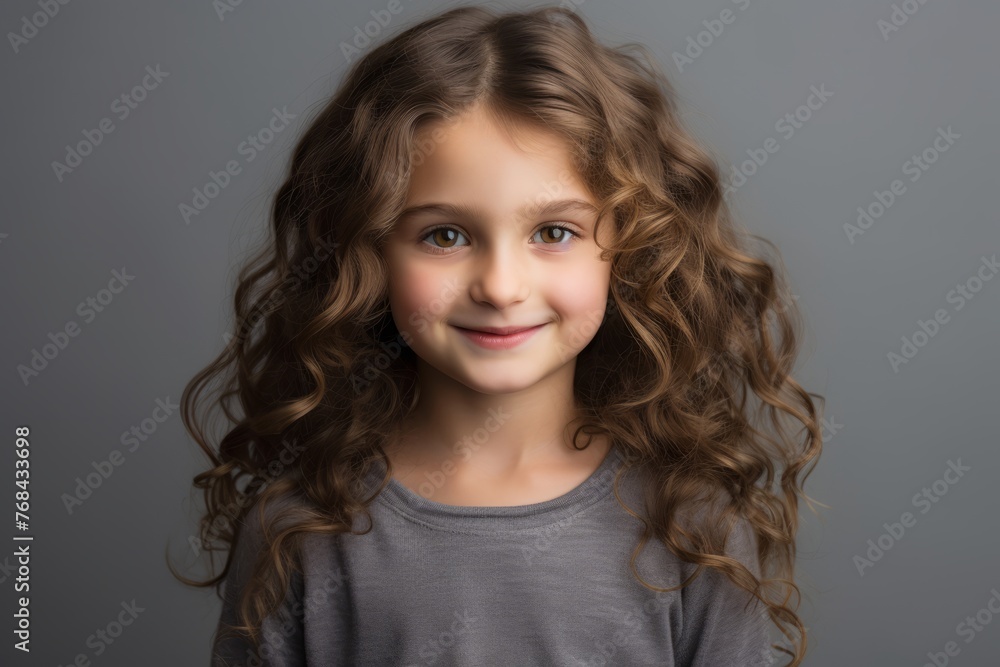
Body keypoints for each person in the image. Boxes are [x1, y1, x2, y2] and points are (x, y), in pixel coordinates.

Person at [172, 5, 822, 666]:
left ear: (628, 249)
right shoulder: (299, 530)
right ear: (366, 253)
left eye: (553, 232)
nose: (501, 286)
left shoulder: (692, 528)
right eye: (445, 235)